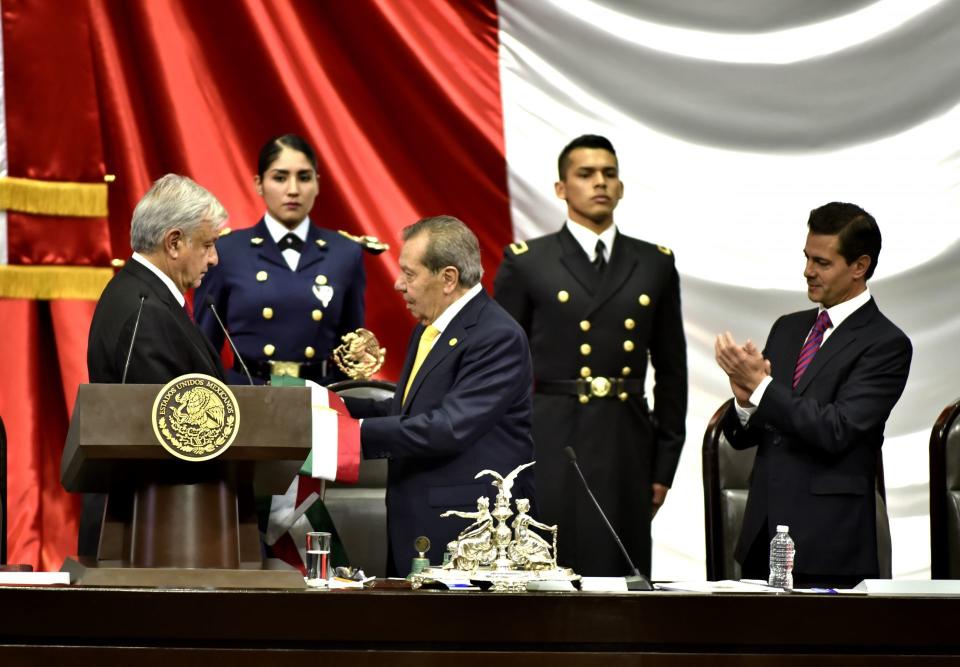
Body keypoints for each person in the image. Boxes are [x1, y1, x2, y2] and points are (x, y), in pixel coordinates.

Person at [493, 134, 687, 577]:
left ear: (620, 186)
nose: (600, 183)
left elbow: (672, 373)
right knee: (549, 572)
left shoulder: (654, 262)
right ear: (561, 188)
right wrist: (508, 459)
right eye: (585, 174)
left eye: (609, 173)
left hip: (626, 440)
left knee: (622, 576)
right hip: (551, 436)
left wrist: (664, 466)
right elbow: (503, 372)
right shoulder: (529, 262)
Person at [714, 202, 912, 587]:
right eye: (807, 258)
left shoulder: (885, 343)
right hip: (763, 537)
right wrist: (743, 401)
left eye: (822, 262)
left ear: (859, 266)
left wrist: (762, 388)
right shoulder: (788, 329)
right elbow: (747, 435)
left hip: (829, 545)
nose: (808, 271)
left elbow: (837, 430)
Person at [344, 215, 535, 576]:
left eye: (410, 274)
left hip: (466, 533)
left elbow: (447, 427)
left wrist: (350, 435)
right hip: (417, 518)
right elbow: (409, 409)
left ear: (448, 278)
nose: (399, 285)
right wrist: (335, 405)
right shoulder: (431, 328)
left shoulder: (497, 336)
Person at [81, 174, 228, 556]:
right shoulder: (147, 311)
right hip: (150, 532)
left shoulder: (139, 294)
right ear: (175, 242)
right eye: (208, 245)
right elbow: (165, 440)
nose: (214, 258)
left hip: (150, 528)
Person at [194, 133, 366, 385]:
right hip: (249, 397)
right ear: (259, 184)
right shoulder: (226, 252)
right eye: (280, 177)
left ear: (317, 184)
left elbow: (351, 350)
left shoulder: (345, 252)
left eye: (304, 177)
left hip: (320, 397)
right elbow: (203, 347)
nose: (293, 190)